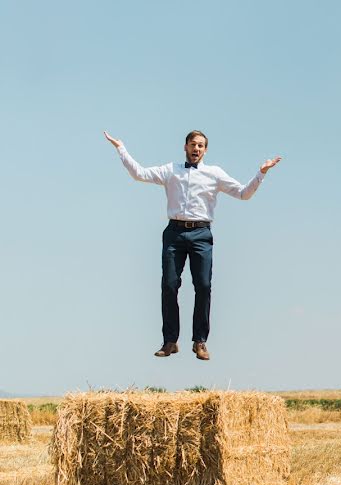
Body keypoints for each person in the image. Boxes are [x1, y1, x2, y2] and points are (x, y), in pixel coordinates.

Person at [104, 130, 282, 360]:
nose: (196, 149)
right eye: (192, 144)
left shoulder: (214, 173)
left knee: (204, 286)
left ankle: (200, 341)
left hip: (201, 233)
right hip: (174, 233)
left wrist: (261, 172)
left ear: (205, 150)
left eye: (200, 145)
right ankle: (170, 341)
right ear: (185, 147)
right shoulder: (171, 170)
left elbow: (243, 194)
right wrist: (121, 148)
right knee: (169, 285)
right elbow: (139, 174)